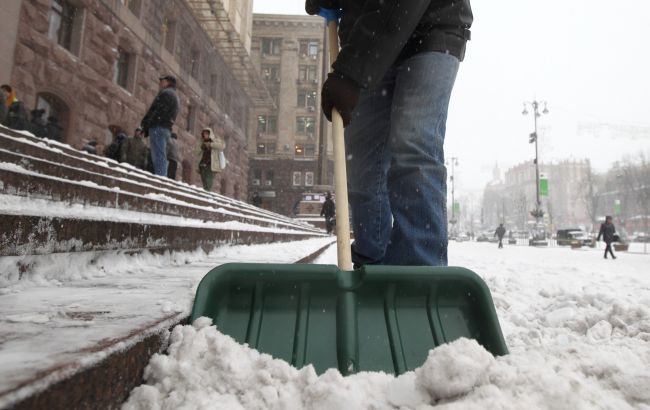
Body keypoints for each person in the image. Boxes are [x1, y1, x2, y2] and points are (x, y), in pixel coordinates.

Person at [305, 0, 472, 267]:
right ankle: (370, 260)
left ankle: (418, 271)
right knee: (362, 163)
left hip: (429, 28)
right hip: (368, 38)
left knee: (412, 144)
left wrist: (350, 73)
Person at [140, 75, 179, 177]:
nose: (160, 83)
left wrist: (146, 125)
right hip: (164, 127)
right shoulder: (174, 95)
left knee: (158, 155)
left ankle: (161, 179)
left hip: (159, 127)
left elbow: (157, 111)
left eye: (162, 80)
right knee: (160, 154)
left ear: (168, 82)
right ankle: (161, 177)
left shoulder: (166, 93)